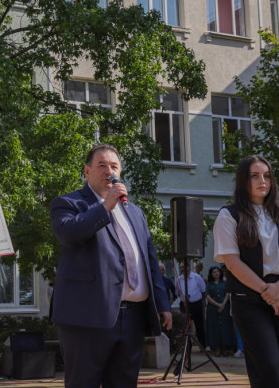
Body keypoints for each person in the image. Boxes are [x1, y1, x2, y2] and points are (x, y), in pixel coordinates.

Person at [50, 143, 172, 388]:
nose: (109, 171)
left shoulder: (134, 212)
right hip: (87, 318)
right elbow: (69, 234)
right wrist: (106, 205)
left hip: (133, 318)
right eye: (102, 166)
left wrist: (161, 303)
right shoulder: (69, 203)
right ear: (87, 172)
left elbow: (149, 260)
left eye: (114, 166)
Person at [214, 154, 279, 388]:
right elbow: (233, 263)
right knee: (269, 368)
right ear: (243, 181)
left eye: (266, 176)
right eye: (254, 176)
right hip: (250, 300)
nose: (262, 181)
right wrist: (268, 292)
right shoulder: (229, 215)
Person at [176, 262, 207, 347]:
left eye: (184, 267)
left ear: (189, 267)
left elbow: (203, 290)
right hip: (185, 305)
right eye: (181, 267)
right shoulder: (178, 280)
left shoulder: (197, 277)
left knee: (199, 325)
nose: (182, 269)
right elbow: (178, 293)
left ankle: (202, 345)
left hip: (196, 304)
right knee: (185, 327)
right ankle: (187, 347)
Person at [205, 266, 232, 356]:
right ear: (211, 274)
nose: (216, 273)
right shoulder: (209, 285)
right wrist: (218, 305)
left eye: (217, 271)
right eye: (214, 272)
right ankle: (217, 348)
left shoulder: (224, 283)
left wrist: (223, 304)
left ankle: (225, 348)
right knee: (215, 328)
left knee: (224, 328)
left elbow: (227, 294)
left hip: (225, 308)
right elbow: (208, 297)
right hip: (213, 309)